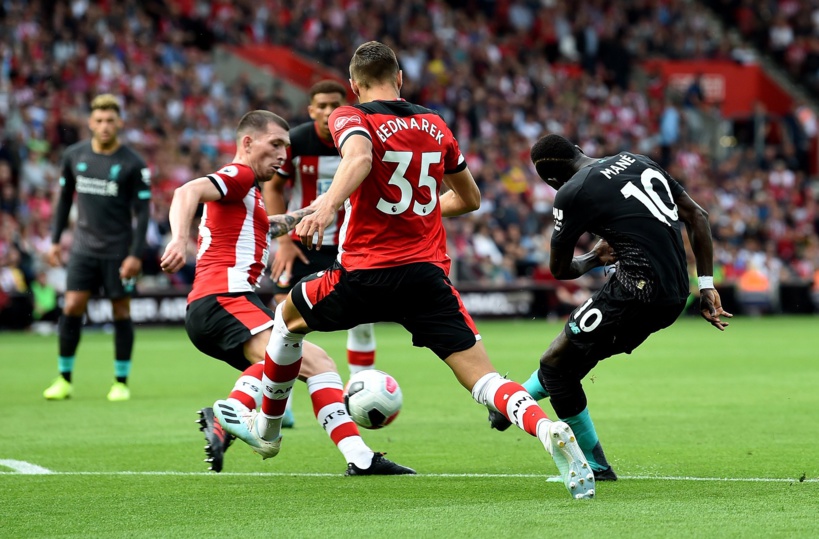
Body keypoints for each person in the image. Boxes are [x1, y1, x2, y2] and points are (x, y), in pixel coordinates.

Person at [214, 41, 596, 500]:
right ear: (399, 78)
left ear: (354, 86)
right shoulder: (434, 124)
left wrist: (326, 208)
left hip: (365, 271)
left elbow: (358, 159)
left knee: (286, 320)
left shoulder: (351, 116)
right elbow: (470, 198)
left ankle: (269, 433)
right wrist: (419, 210)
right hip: (426, 275)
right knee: (485, 378)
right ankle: (547, 427)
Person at [160, 110, 413, 476]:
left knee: (315, 364)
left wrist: (319, 208)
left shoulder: (250, 195)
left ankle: (358, 457)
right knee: (297, 360)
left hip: (219, 304)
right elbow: (188, 190)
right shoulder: (240, 174)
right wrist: (179, 239)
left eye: (286, 147)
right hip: (224, 299)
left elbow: (269, 226)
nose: (282, 154)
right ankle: (230, 412)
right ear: (247, 143)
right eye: (275, 144)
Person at [487, 133, 732, 480]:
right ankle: (512, 405)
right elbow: (698, 215)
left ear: (549, 177)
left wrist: (593, 257)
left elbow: (560, 269)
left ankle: (596, 466)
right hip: (677, 292)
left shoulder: (571, 192)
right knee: (568, 360)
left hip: (636, 291)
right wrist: (706, 285)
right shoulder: (637, 159)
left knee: (555, 364)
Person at [263, 80, 378, 428]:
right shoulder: (296, 141)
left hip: (349, 242)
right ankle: (283, 407)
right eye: (322, 106)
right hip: (301, 243)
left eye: (335, 105)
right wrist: (283, 241)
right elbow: (273, 185)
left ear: (348, 104)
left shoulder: (359, 136)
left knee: (363, 318)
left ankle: (360, 394)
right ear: (311, 110)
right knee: (284, 320)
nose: (329, 112)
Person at [44, 94, 151, 402]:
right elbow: (64, 200)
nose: (105, 126)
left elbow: (142, 213)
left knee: (121, 309)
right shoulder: (74, 155)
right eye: (99, 120)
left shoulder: (133, 163)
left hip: (118, 250)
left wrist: (135, 254)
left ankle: (121, 381)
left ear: (119, 123)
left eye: (110, 120)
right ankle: (64, 379)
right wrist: (54, 240)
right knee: (72, 305)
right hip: (83, 248)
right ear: (90, 123)